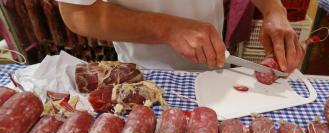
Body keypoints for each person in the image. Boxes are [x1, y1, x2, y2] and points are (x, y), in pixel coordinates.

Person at [58, 0, 304, 71]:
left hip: (214, 68)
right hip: (143, 73)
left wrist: (274, 9)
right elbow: (76, 12)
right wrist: (165, 27)